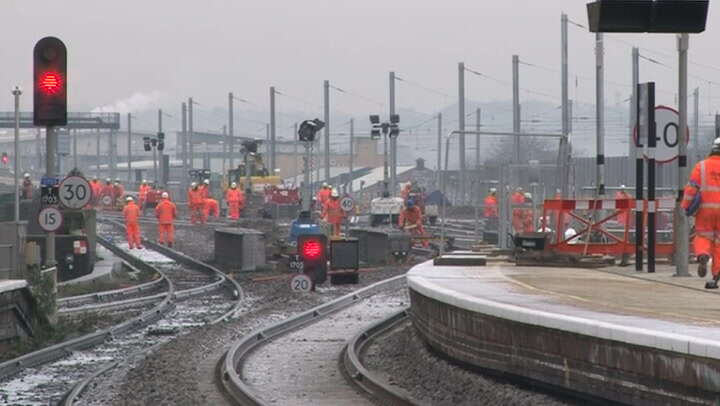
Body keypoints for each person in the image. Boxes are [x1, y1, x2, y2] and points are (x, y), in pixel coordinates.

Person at [682, 138, 720, 289]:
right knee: (719, 244)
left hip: (705, 210)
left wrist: (685, 206)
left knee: (703, 236)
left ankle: (703, 254)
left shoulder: (701, 167)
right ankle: (716, 276)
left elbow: (692, 188)